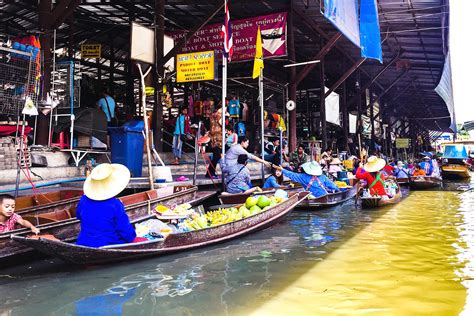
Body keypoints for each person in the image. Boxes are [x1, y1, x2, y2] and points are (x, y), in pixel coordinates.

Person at [76, 163, 137, 248]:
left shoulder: (83, 200)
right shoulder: (115, 205)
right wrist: (133, 238)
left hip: (83, 242)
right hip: (109, 244)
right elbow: (126, 232)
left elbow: (78, 216)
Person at [273, 161, 340, 198]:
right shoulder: (323, 177)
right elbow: (333, 186)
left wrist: (282, 169)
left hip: (312, 197)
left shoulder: (303, 177)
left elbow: (291, 175)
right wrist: (338, 190)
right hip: (324, 197)